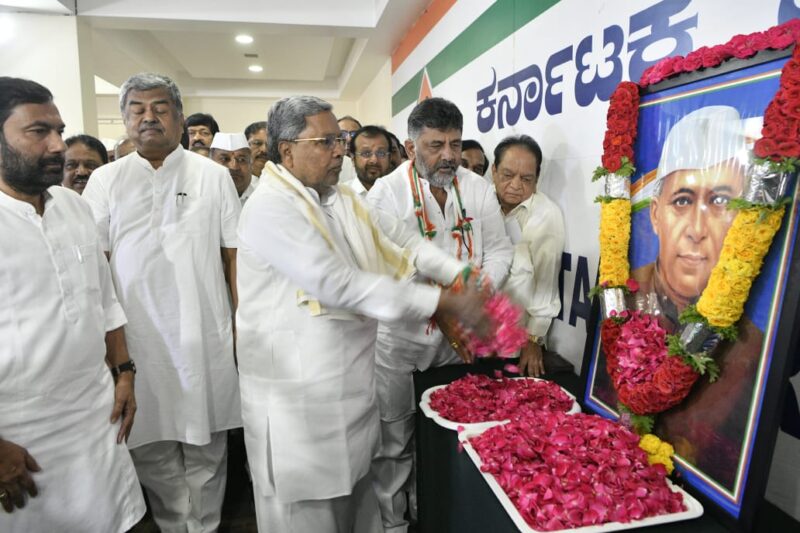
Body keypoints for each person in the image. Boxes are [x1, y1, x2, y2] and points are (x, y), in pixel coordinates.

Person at [236, 95, 488, 533]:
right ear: (287, 151)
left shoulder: (340, 199)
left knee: (359, 512)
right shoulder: (270, 207)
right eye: (326, 141)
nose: (340, 151)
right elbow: (338, 285)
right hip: (299, 412)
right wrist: (441, 302)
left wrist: (458, 273)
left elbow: (403, 241)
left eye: (340, 140)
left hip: (348, 398)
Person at [82, 73, 242, 533]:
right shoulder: (105, 180)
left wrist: (239, 328)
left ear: (180, 116)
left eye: (160, 108)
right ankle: (175, 524)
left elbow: (233, 257)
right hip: (136, 339)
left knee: (207, 445)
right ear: (125, 118)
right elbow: (96, 266)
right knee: (148, 444)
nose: (148, 117)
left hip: (202, 333)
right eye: (137, 109)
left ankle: (205, 525)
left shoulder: (213, 176)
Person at [0, 76, 145, 532]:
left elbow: (104, 301)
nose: (57, 146)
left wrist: (124, 372)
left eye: (59, 131)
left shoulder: (73, 207)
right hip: (20, 434)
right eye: (38, 132)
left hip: (95, 414)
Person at [592, 105, 761, 491]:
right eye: (682, 201)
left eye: (721, 201)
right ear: (655, 215)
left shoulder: (753, 346)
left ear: (743, 220)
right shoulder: (621, 299)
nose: (697, 229)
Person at [366, 97, 513, 533]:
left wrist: (476, 297)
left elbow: (499, 251)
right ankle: (393, 524)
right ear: (411, 148)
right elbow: (394, 268)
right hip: (401, 338)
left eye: (455, 143)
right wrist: (450, 307)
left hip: (460, 338)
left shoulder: (477, 187)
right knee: (395, 438)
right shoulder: (385, 194)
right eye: (435, 145)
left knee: (451, 430)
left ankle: (436, 514)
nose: (448, 155)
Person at [492, 135, 564, 377]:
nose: (515, 185)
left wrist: (533, 339)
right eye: (507, 175)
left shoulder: (546, 215)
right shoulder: (480, 203)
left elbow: (545, 281)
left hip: (513, 341)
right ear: (493, 171)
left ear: (537, 179)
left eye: (526, 179)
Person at [211, 132, 258, 205]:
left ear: (251, 164)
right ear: (210, 163)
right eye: (224, 159)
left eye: (241, 160)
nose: (234, 167)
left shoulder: (262, 197)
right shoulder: (198, 197)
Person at [346, 125, 393, 197]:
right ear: (353, 159)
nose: (374, 160)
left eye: (381, 153)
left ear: (389, 158)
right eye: (366, 153)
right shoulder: (342, 195)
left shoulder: (400, 194)